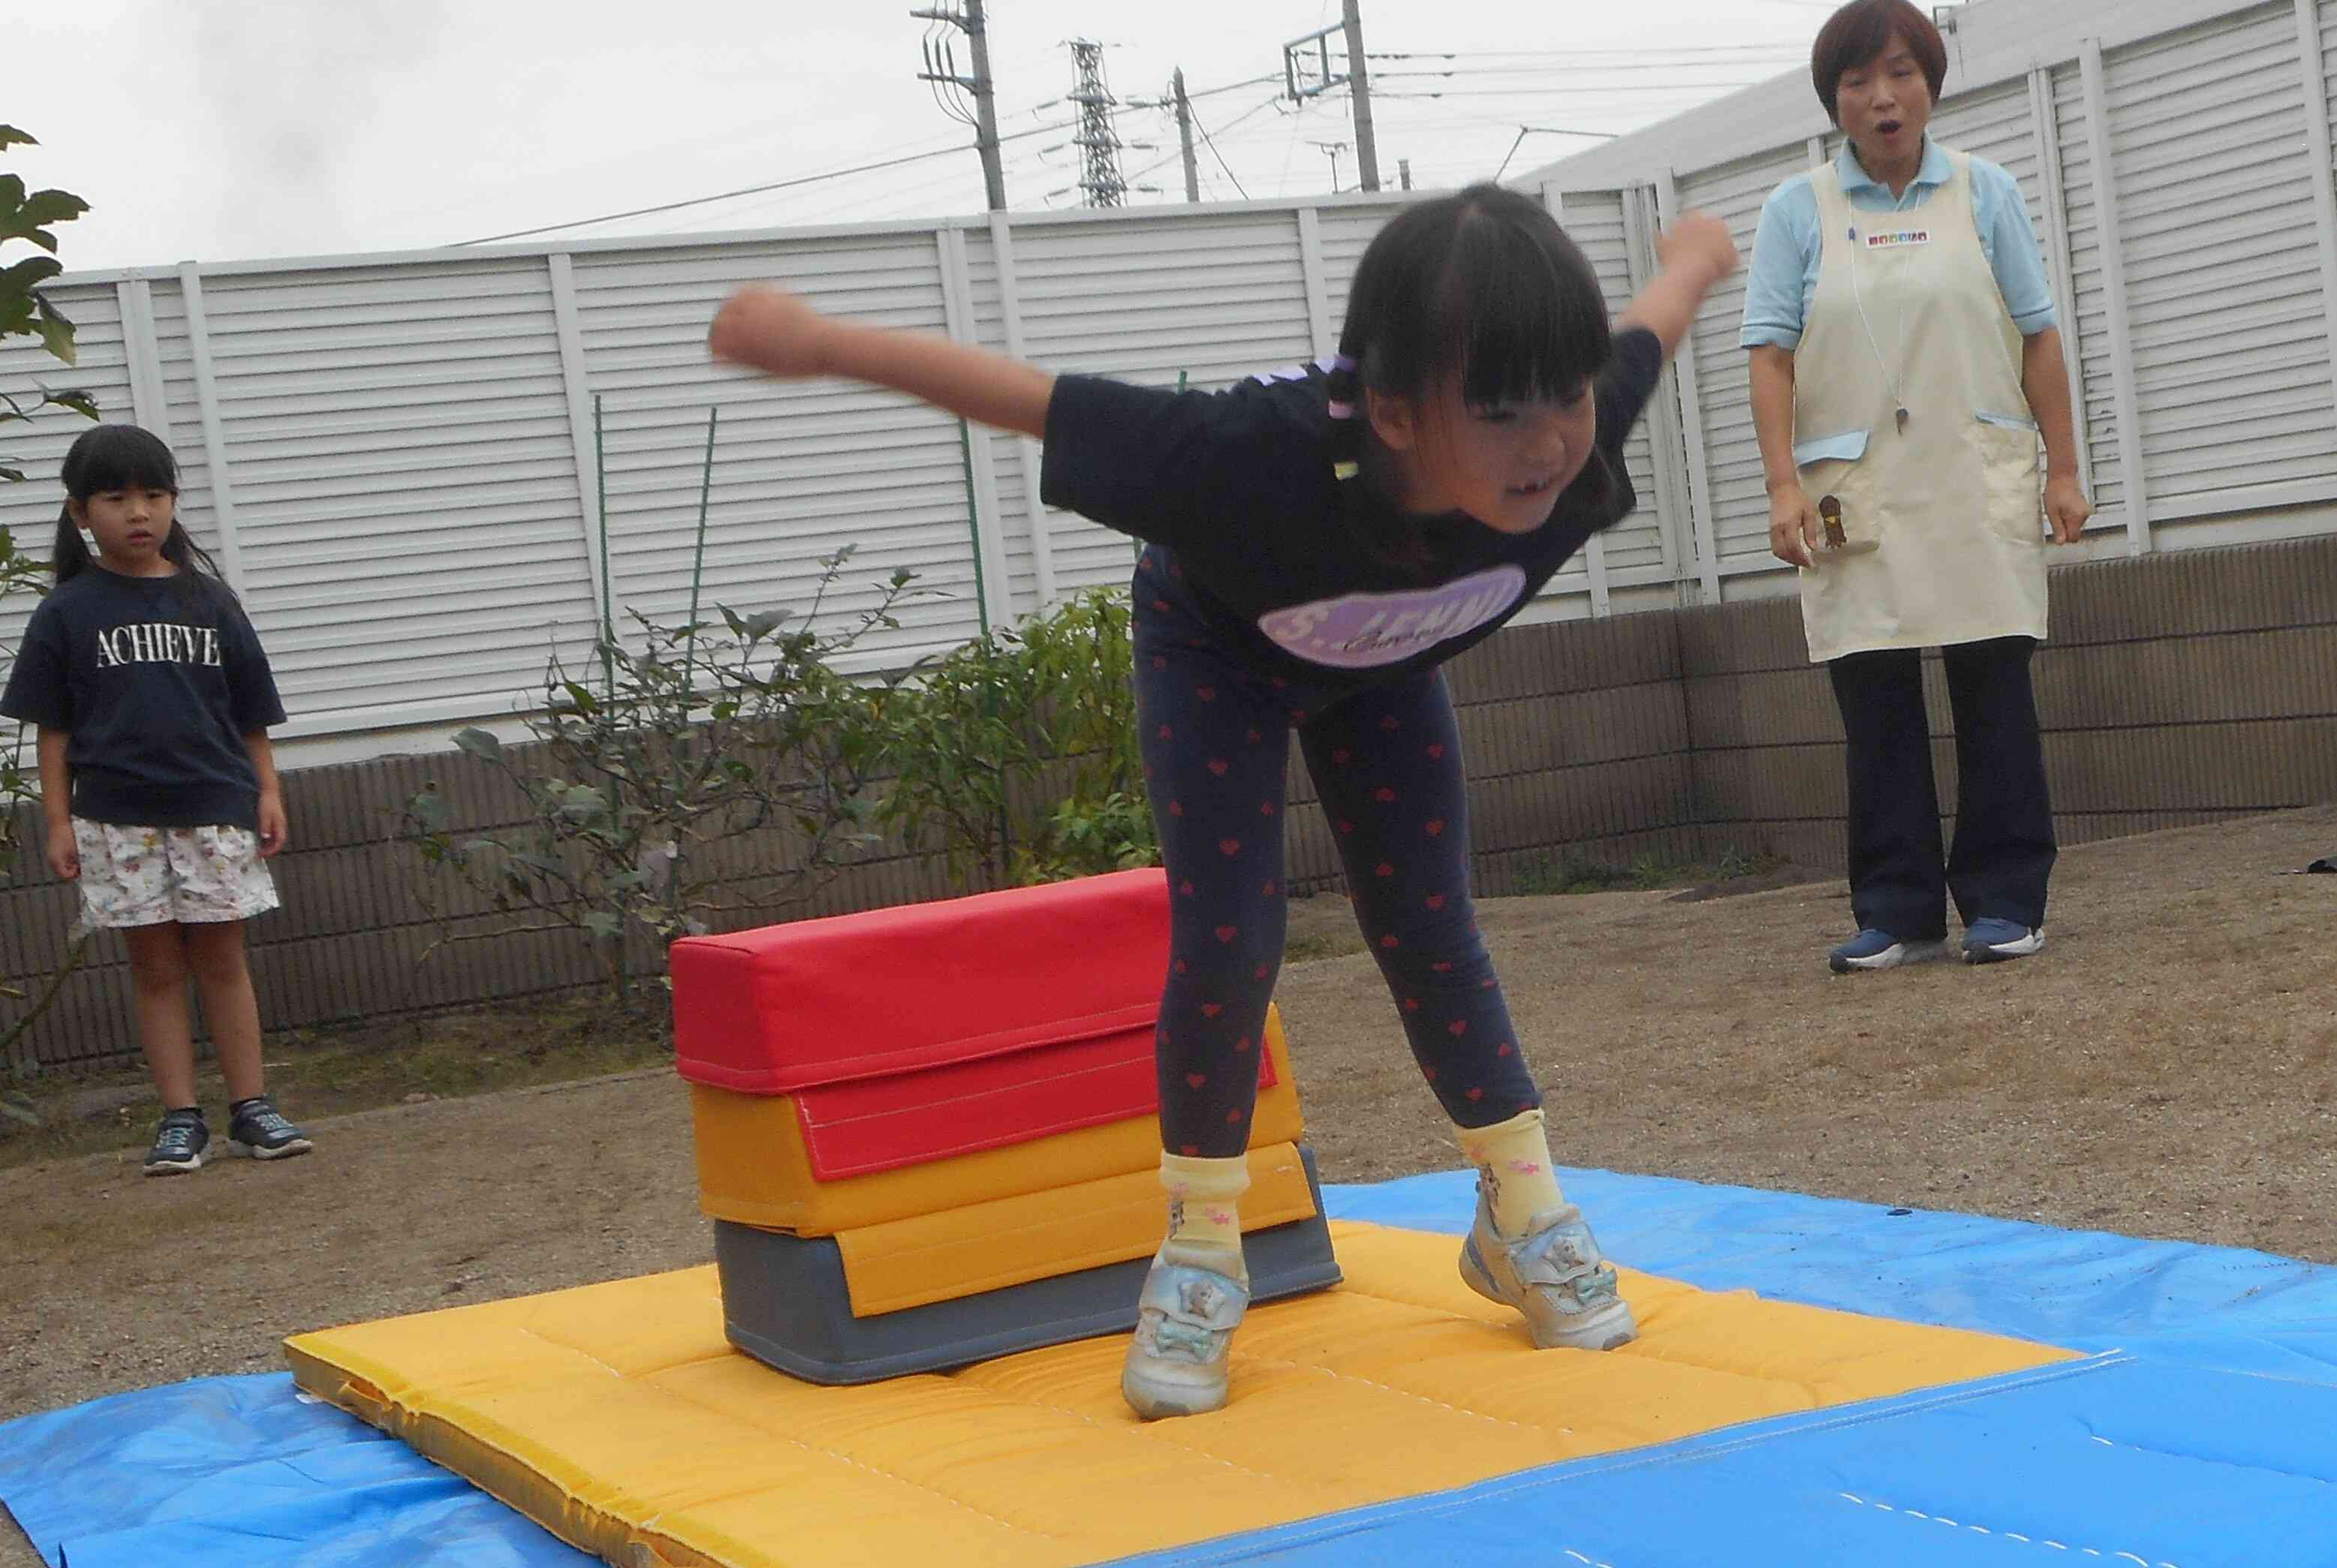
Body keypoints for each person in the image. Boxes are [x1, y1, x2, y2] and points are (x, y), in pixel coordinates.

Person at [710, 185, 1739, 1419]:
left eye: (1566, 398)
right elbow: (1027, 397)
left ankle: (1521, 1210)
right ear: (1398, 412)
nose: (1549, 442)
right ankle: (1200, 1251)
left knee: (1430, 924)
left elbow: (1646, 326)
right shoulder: (1243, 460)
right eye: (1503, 410)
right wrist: (819, 343)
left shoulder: (1576, 436)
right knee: (1229, 935)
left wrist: (1691, 257)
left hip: (1383, 663)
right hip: (1222, 653)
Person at [1742, 0, 2090, 975]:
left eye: (1900, 73)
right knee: (1874, 694)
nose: (1882, 98)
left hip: (1973, 469)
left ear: (1930, 84)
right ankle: (1894, 909)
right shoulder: (1794, 210)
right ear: (1834, 102)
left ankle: (2006, 899)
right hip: (1853, 485)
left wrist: (2063, 471)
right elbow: (1768, 355)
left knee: (1992, 687)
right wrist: (1780, 487)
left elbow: (2038, 334)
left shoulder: (1986, 192)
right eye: (1857, 81)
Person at [0, 424, 310, 1174]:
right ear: (81, 512)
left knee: (223, 960)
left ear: (173, 502)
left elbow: (250, 713)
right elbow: (55, 731)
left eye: (154, 494)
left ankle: (252, 1108)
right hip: (116, 820)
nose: (138, 512)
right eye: (116, 497)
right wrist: (57, 822)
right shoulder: (67, 613)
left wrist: (266, 791)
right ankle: (180, 1118)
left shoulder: (211, 602)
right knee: (157, 969)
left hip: (216, 808)